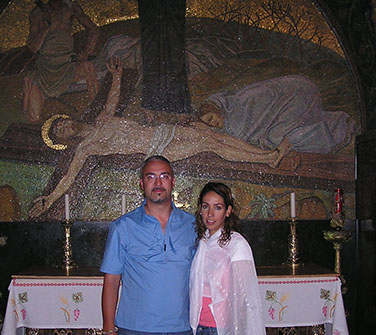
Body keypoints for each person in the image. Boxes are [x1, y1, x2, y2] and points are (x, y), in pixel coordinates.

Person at [28, 56, 286, 219]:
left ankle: (268, 156)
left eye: (62, 123)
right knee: (210, 143)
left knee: (210, 135)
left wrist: (116, 76)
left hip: (160, 133)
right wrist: (49, 199)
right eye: (60, 132)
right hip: (157, 147)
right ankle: (267, 158)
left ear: (68, 119)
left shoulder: (102, 121)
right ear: (66, 140)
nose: (65, 127)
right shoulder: (85, 147)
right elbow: (68, 177)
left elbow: (112, 99)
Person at [100, 155, 197, 335]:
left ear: (173, 182)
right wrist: (109, 330)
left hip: (180, 332)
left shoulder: (193, 225)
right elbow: (111, 281)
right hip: (137, 334)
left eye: (164, 176)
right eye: (151, 176)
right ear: (141, 183)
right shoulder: (124, 227)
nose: (158, 182)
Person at [189, 182, 269, 335]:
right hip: (198, 331)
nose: (210, 214)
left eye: (217, 207)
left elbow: (244, 298)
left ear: (229, 211)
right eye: (205, 207)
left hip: (220, 334)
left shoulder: (236, 245)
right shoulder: (203, 241)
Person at [199, 75, 357, 159]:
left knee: (277, 138)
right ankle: (335, 123)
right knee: (280, 135)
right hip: (289, 102)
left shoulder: (239, 107)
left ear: (217, 110)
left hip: (300, 92)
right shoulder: (231, 118)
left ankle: (334, 133)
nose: (215, 123)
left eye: (212, 118)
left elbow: (250, 133)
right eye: (210, 124)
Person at [23, 0, 100, 122]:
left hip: (67, 63)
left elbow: (94, 30)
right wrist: (48, 25)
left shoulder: (70, 7)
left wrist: (86, 52)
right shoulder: (37, 13)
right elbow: (33, 47)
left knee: (87, 66)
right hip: (45, 66)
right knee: (33, 117)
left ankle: (97, 113)